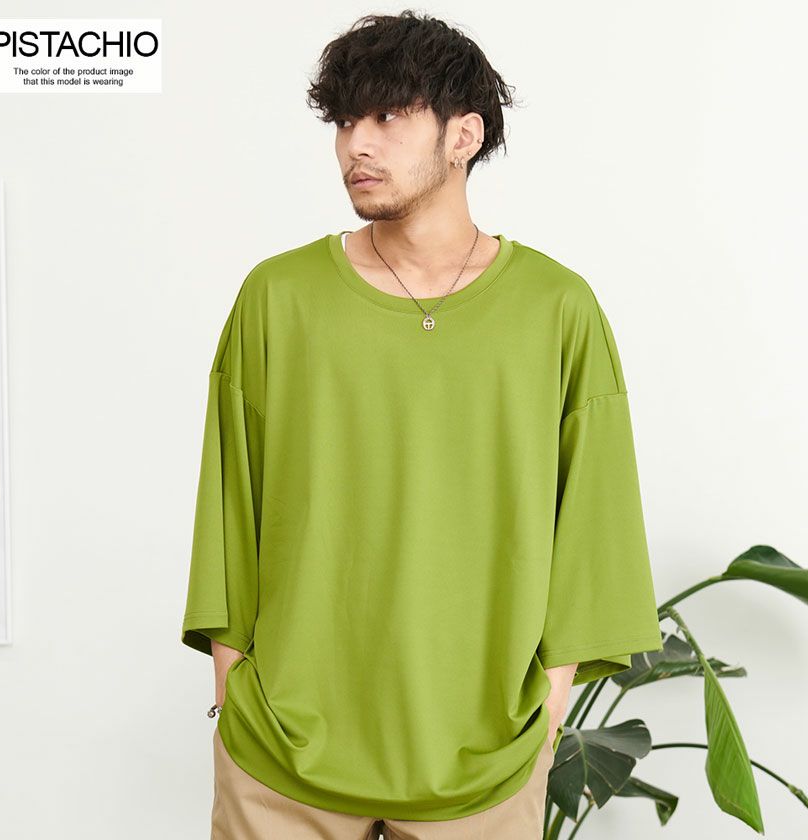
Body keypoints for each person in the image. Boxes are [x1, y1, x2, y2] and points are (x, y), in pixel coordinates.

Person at [180, 10, 663, 839]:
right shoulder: (278, 299)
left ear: (463, 136)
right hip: (283, 755)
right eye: (345, 121)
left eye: (387, 116)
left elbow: (595, 516)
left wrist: (547, 708)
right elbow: (231, 503)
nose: (356, 145)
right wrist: (234, 689)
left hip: (482, 760)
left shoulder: (556, 309)